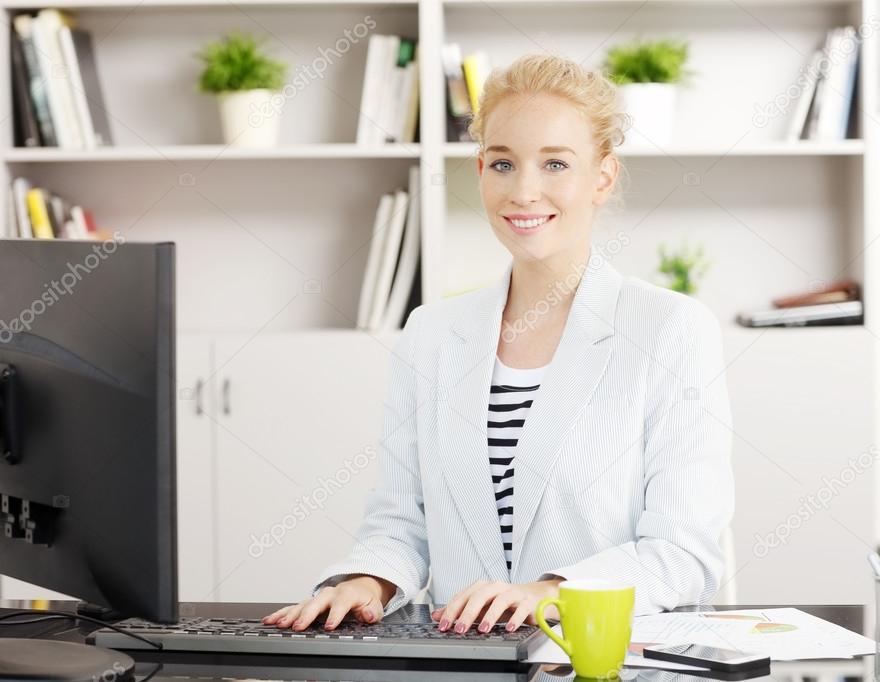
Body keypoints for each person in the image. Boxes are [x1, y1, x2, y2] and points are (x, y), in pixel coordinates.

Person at [263, 53, 734, 636]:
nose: (525, 191)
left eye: (556, 163)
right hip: (462, 666)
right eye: (504, 163)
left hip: (605, 664)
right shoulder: (431, 334)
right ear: (481, 169)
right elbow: (400, 524)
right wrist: (366, 581)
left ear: (603, 178)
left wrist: (547, 593)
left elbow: (684, 552)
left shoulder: (670, 328)